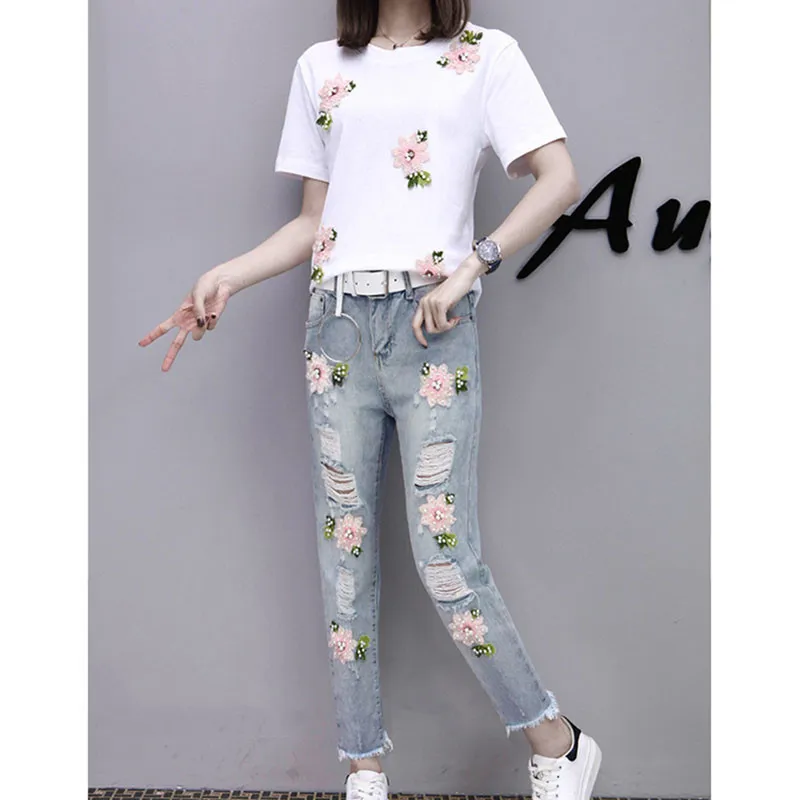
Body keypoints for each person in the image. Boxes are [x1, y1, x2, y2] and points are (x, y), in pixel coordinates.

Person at [139, 1, 601, 798]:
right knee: (344, 560)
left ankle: (556, 743)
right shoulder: (322, 67)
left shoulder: (485, 55)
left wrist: (473, 264)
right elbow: (314, 224)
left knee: (445, 554)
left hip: (433, 329)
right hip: (338, 332)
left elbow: (559, 178)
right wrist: (228, 275)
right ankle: (363, 770)